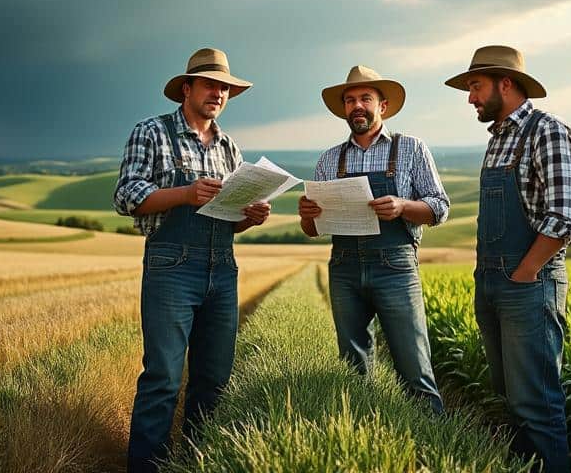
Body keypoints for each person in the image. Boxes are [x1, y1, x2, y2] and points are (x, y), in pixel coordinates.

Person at [112, 47, 271, 472]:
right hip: (171, 266)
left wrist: (249, 217)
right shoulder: (151, 132)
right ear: (187, 88)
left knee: (214, 380)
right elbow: (125, 196)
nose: (219, 93)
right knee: (163, 377)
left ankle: (197, 464)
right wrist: (184, 193)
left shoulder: (229, 147)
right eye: (211, 85)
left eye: (225, 88)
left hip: (223, 267)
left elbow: (229, 219)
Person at [444, 45, 571, 473]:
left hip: (528, 282)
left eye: (475, 87)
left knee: (536, 403)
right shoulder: (499, 139)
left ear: (505, 84)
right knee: (510, 393)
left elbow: (567, 215)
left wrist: (525, 272)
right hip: (492, 281)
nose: (470, 98)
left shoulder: (548, 132)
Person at [297, 65, 449, 413]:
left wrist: (403, 206)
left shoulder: (411, 148)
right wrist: (308, 217)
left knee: (414, 367)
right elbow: (314, 231)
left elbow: (440, 207)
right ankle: (366, 437)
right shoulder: (329, 159)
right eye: (350, 100)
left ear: (383, 105)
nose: (357, 106)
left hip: (395, 267)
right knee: (353, 367)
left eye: (366, 98)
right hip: (344, 268)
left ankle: (432, 438)